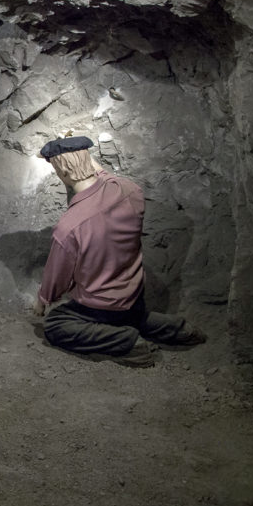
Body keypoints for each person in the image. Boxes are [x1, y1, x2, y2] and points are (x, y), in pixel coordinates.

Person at [33, 136, 206, 366]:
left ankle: (127, 341)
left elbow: (57, 279)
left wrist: (43, 299)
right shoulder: (129, 191)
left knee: (56, 325)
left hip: (100, 306)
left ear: (62, 171)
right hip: (133, 296)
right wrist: (79, 151)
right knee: (133, 316)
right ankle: (178, 329)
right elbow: (102, 176)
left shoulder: (69, 227)